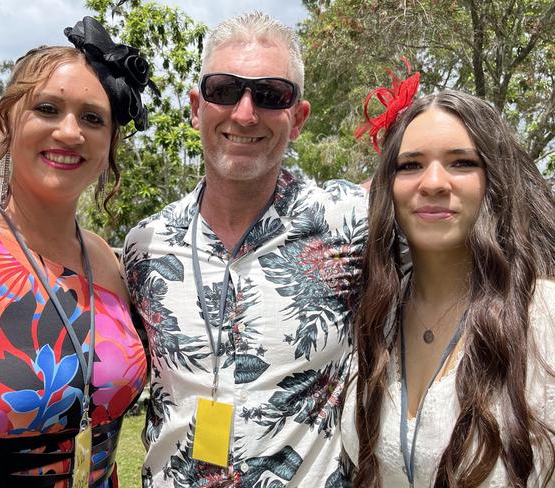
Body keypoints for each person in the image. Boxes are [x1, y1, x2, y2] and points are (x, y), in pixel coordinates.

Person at [0, 16, 154, 487]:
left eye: (92, 118)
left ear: (110, 143)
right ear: (7, 120)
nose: (69, 132)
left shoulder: (110, 264)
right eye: (47, 108)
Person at [122, 11, 368, 487]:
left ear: (297, 118)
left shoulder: (352, 221)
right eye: (224, 90)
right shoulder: (145, 245)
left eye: (271, 95)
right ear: (196, 107)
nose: (244, 113)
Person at [341, 80, 555, 486]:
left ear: (496, 179)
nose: (434, 182)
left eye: (461, 163)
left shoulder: (544, 317)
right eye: (410, 165)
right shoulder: (373, 319)